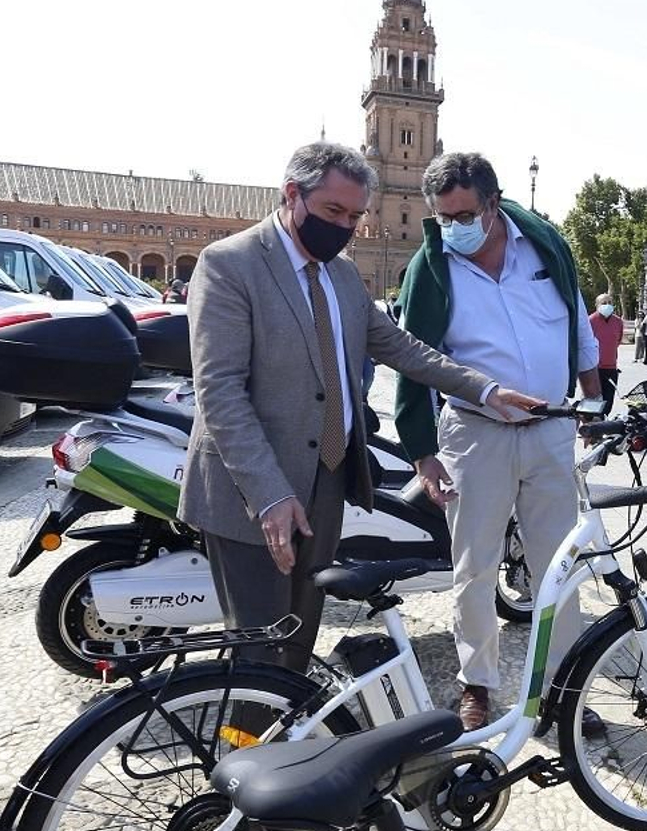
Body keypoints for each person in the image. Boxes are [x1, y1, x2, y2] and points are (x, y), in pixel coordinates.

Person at [182, 142, 539, 698]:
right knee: (256, 646)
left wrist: (486, 389)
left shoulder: (343, 276)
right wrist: (270, 495)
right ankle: (239, 763)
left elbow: (404, 349)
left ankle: (287, 742)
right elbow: (220, 392)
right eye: (333, 213)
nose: (345, 227)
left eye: (354, 217)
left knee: (299, 634)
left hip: (325, 479)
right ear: (292, 195)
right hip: (254, 491)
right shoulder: (231, 264)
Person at [392, 152, 602, 730]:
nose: (452, 226)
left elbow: (575, 318)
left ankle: (566, 688)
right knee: (475, 568)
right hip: (474, 435)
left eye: (463, 213)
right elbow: (414, 357)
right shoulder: (432, 266)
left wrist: (592, 397)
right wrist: (422, 452)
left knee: (559, 566)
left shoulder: (544, 245)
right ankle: (477, 684)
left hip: (551, 431)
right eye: (441, 216)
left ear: (493, 202)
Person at [589, 292, 625, 413]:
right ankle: (593, 427)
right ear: (597, 305)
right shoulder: (590, 321)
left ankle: (604, 424)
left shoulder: (618, 322)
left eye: (610, 303)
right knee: (593, 402)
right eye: (604, 303)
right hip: (594, 368)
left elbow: (618, 341)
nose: (607, 305)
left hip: (611, 368)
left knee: (608, 401)